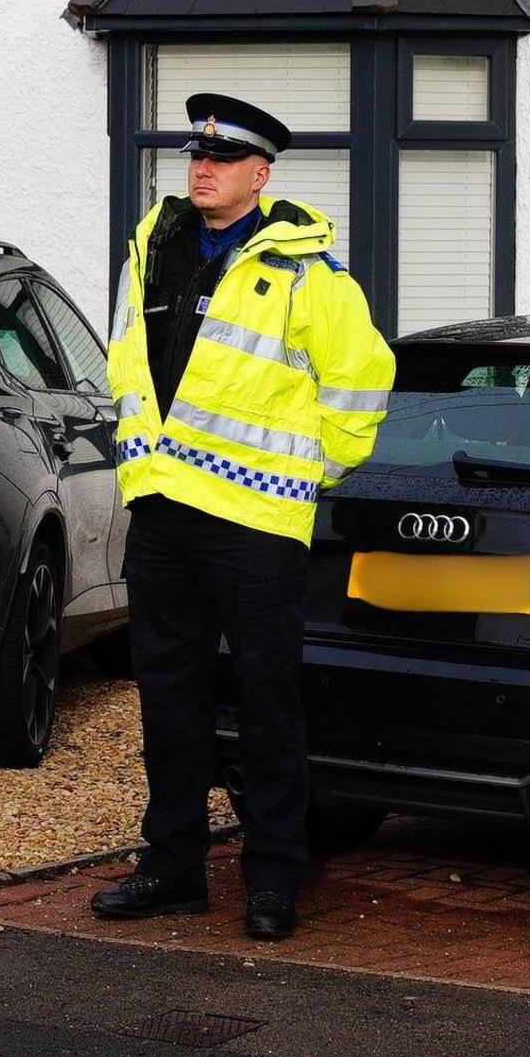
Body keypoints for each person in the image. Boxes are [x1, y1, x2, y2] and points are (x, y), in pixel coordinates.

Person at [91, 92, 394, 941]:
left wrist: (307, 469)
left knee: (267, 706)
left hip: (258, 525)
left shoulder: (307, 273)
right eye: (196, 156)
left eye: (222, 161)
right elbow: (127, 361)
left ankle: (272, 880)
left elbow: (362, 385)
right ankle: (173, 866)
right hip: (162, 512)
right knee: (168, 700)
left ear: (260, 175)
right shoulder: (153, 249)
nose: (203, 169)